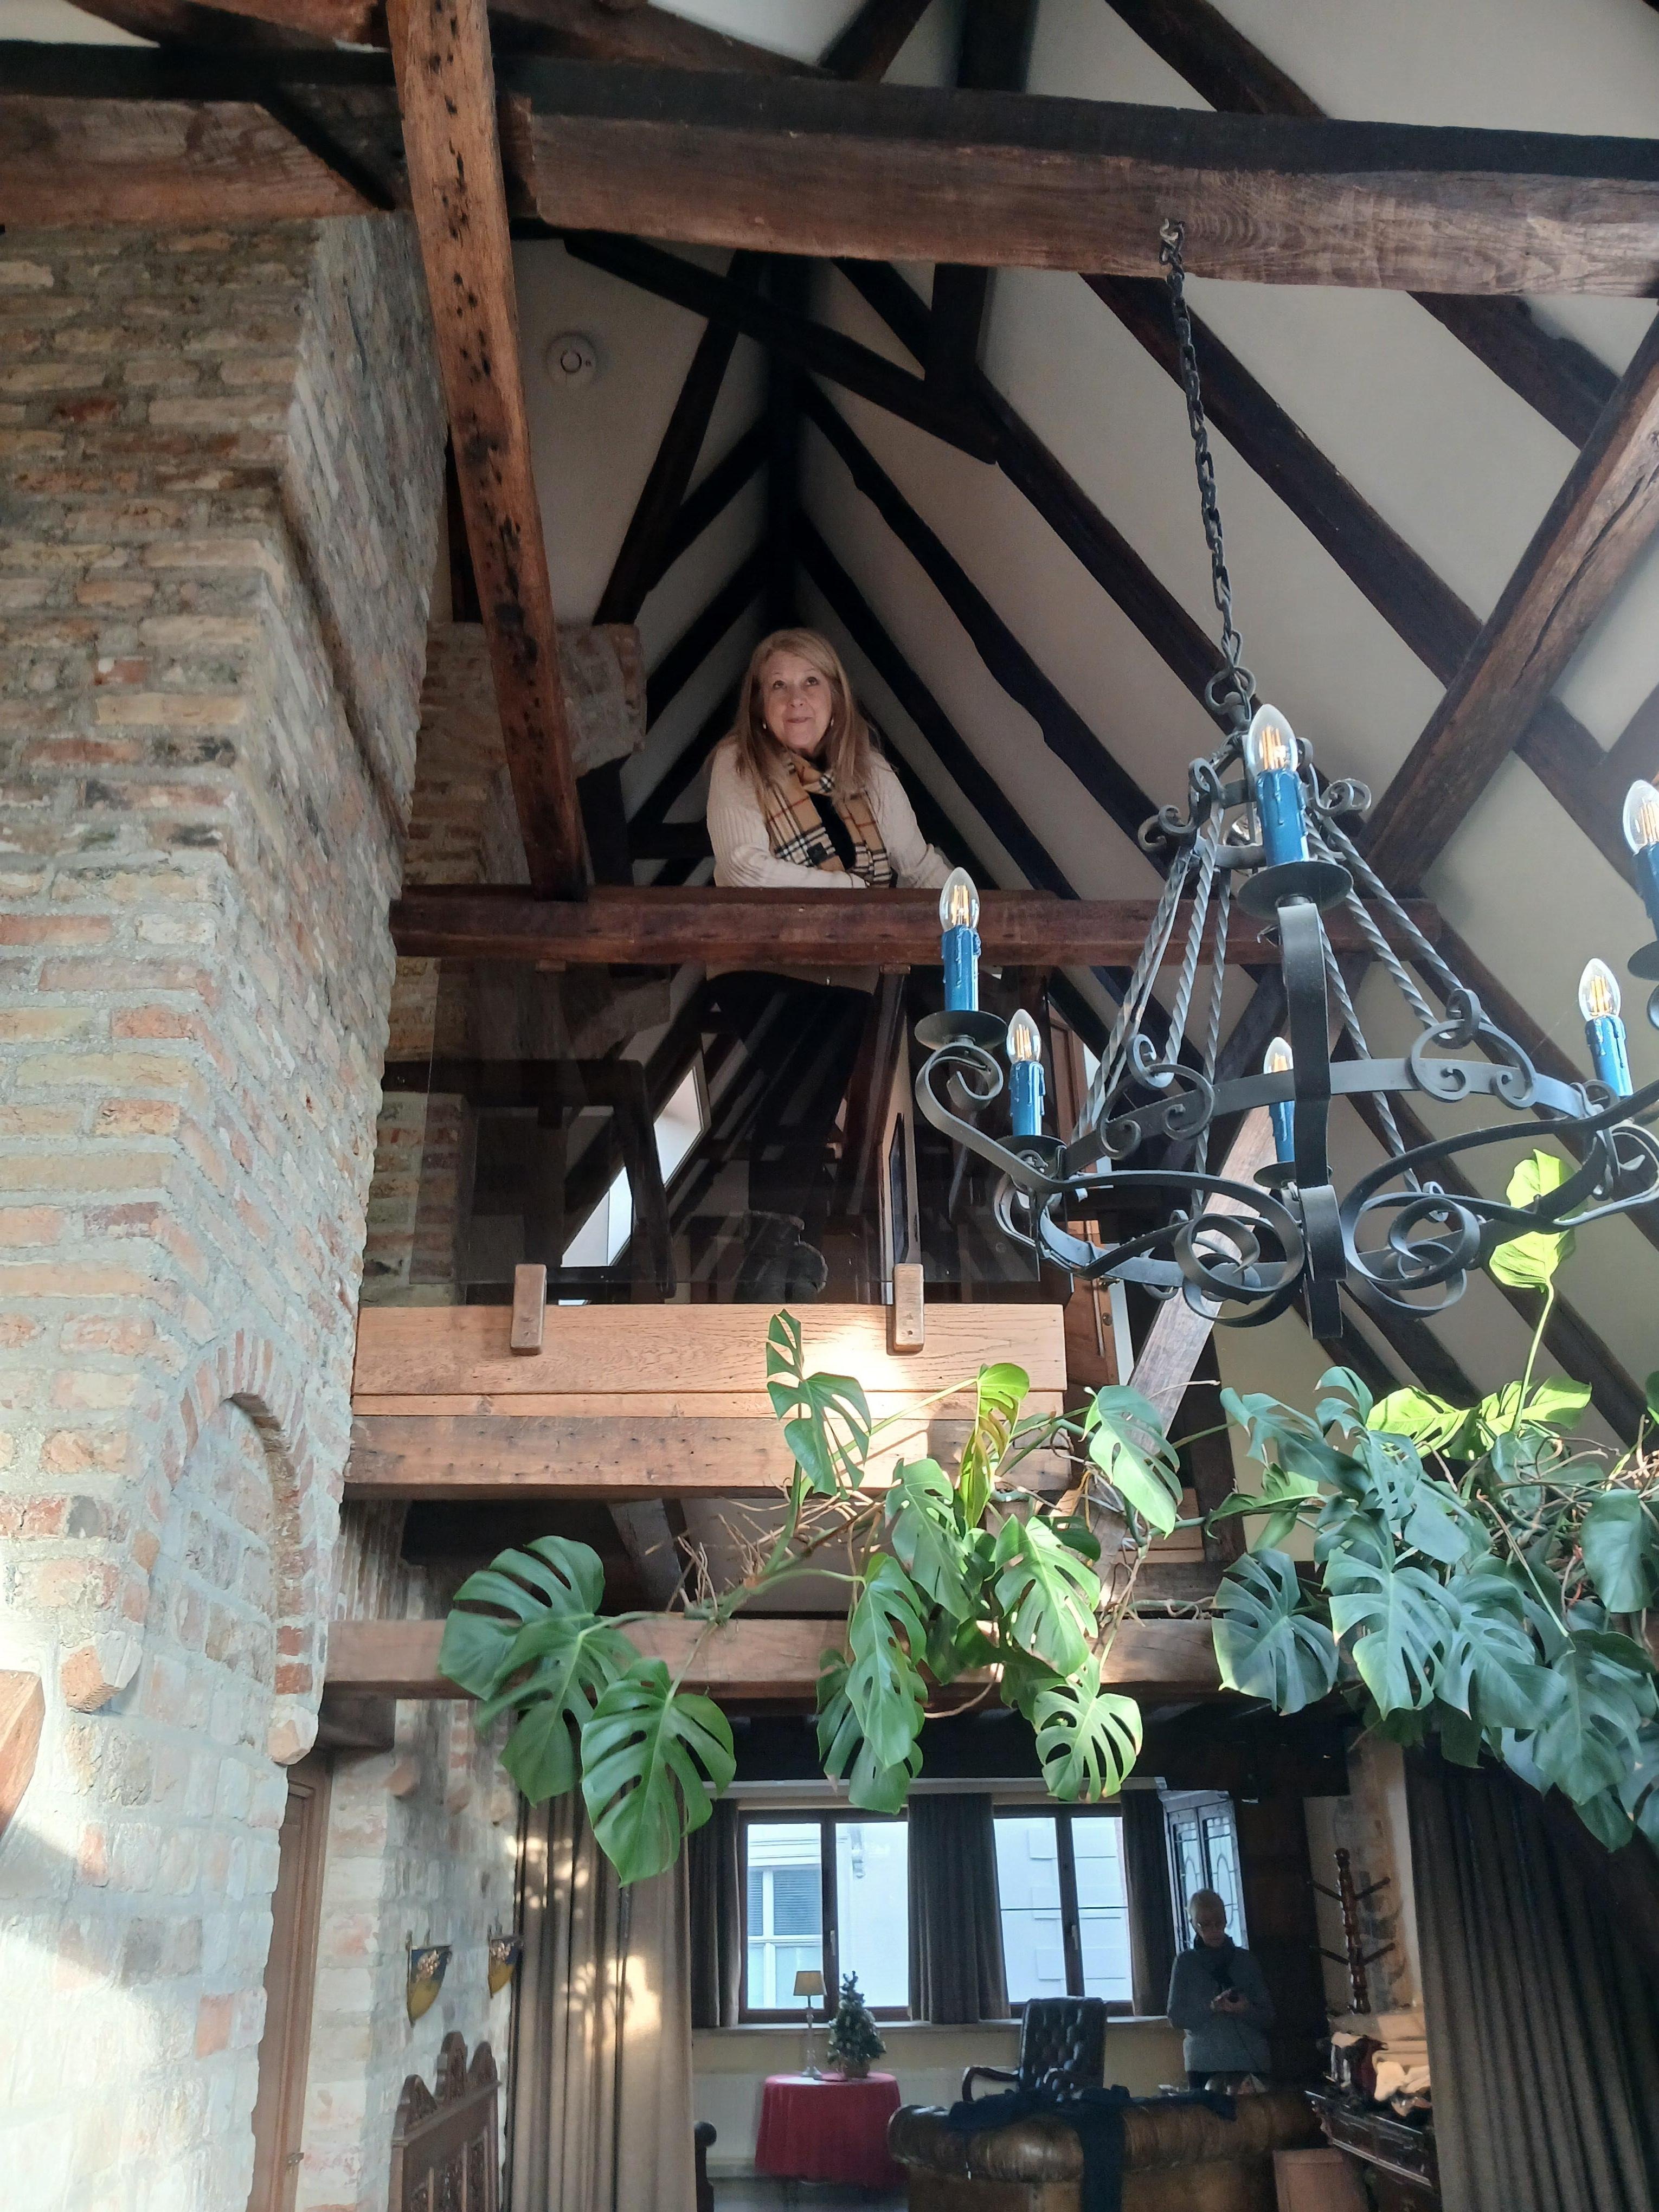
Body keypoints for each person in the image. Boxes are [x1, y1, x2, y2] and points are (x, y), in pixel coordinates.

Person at [703, 629, 950, 1296]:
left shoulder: (871, 772)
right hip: (757, 959)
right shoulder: (737, 762)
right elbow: (742, 868)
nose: (796, 698)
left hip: (848, 970)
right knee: (804, 1074)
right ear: (759, 707)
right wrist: (850, 892)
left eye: (811, 682)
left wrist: (973, 918)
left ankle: (784, 1251)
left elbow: (915, 864)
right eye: (778, 686)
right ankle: (777, 1248)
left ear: (836, 697)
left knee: (806, 1088)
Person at [1166, 1889, 1274, 2092]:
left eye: (1219, 1923)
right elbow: (1176, 2018)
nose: (1214, 1930)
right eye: (1205, 1925)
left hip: (1250, 2060)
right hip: (1204, 2063)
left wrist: (1245, 2009)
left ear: (1226, 1921)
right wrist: (1211, 2007)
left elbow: (1268, 2017)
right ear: (1193, 1925)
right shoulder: (1185, 1963)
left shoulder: (1246, 1961)